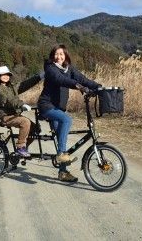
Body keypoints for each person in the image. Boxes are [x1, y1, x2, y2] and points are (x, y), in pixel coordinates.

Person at [37, 44, 101, 183]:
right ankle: (61, 155)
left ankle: (63, 172)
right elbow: (60, 79)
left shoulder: (69, 69)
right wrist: (77, 86)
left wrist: (98, 87)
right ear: (52, 56)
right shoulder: (50, 68)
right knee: (66, 120)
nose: (58, 56)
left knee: (62, 139)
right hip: (46, 106)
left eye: (61, 54)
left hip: (59, 109)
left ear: (65, 56)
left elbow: (83, 79)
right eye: (56, 54)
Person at [0, 65, 43, 158]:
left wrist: (39, 77)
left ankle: (23, 149)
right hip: (5, 116)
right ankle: (20, 147)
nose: (6, 76)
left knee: (35, 129)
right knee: (25, 122)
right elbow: (9, 99)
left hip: (14, 115)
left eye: (7, 74)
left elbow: (24, 84)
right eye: (3, 74)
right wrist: (21, 105)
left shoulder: (11, 87)